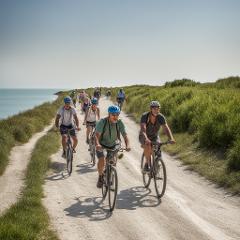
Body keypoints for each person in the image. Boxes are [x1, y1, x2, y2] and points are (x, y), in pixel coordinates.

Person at [95, 105, 131, 188]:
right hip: (101, 145)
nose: (115, 117)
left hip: (113, 145)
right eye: (113, 115)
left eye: (117, 114)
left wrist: (128, 145)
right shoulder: (102, 122)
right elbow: (96, 136)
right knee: (102, 160)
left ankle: (110, 174)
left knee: (113, 162)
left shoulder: (119, 122)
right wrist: (97, 144)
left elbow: (125, 136)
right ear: (109, 114)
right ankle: (100, 177)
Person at [139, 100, 176, 172]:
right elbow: (143, 129)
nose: (156, 110)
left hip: (154, 136)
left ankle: (157, 163)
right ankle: (147, 165)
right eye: (154, 108)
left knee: (158, 147)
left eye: (158, 108)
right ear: (151, 109)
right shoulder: (145, 116)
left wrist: (171, 138)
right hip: (144, 135)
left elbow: (166, 128)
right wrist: (146, 139)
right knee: (148, 146)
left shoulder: (160, 117)